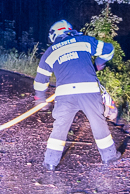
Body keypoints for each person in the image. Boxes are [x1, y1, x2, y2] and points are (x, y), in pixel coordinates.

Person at [33, 20, 120, 170]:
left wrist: (40, 99)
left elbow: (41, 79)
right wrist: (98, 63)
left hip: (65, 94)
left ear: (54, 35)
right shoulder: (84, 41)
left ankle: (51, 162)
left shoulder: (50, 52)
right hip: (89, 90)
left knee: (60, 126)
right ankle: (109, 156)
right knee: (98, 122)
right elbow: (109, 49)